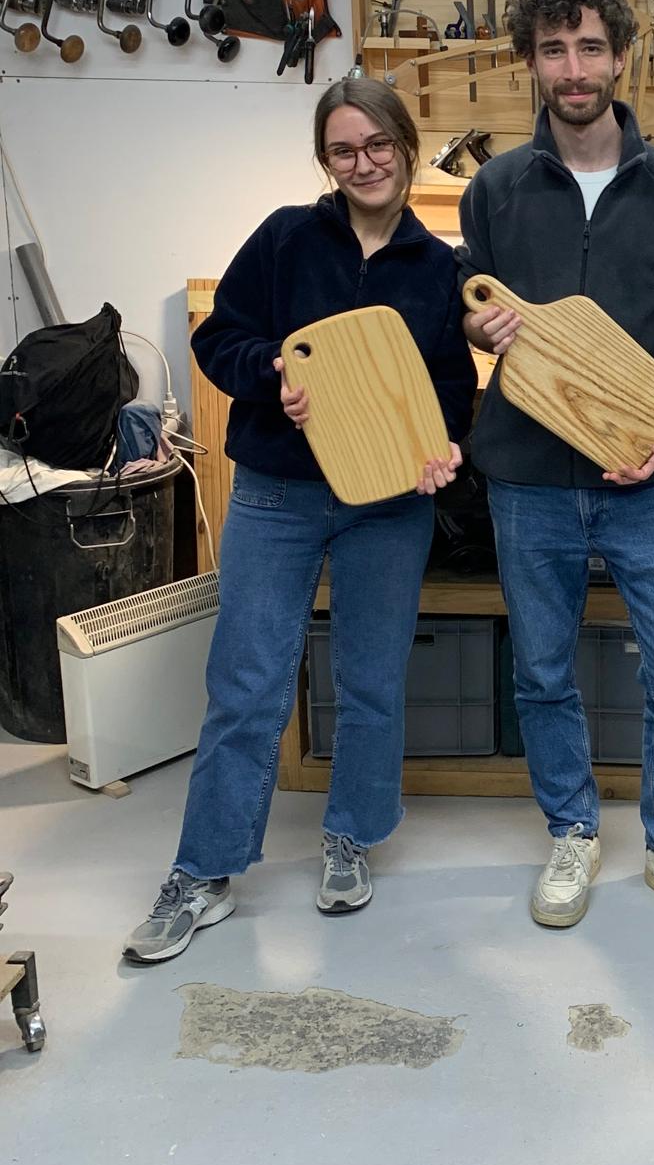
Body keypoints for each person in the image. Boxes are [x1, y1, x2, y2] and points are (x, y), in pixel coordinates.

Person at [124, 81, 475, 965]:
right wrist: (272, 369)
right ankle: (203, 871)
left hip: (388, 501)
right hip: (277, 493)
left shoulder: (437, 268)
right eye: (343, 151)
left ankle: (351, 835)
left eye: (378, 145)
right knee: (246, 683)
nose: (364, 164)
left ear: (405, 145)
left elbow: (447, 386)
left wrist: (443, 447)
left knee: (370, 681)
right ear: (325, 161)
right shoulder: (285, 237)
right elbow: (218, 339)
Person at [457, 0, 654, 939]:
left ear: (620, 57)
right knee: (541, 670)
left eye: (588, 47)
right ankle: (572, 830)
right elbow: (473, 307)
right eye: (553, 49)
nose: (573, 68)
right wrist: (483, 329)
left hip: (642, 473)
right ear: (530, 62)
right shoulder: (494, 189)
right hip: (528, 474)